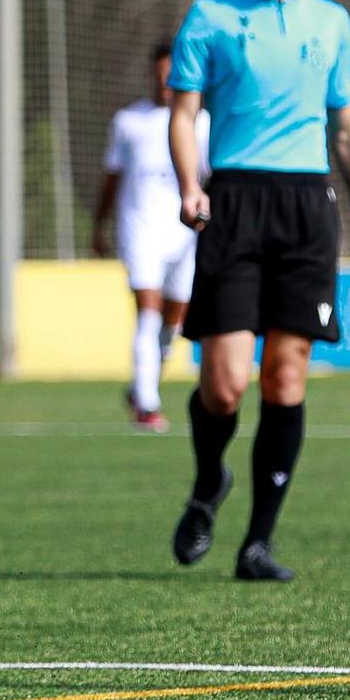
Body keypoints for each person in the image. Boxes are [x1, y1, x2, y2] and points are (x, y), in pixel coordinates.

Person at [167, 0, 350, 582]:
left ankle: (258, 543)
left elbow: (348, 128)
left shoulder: (332, 23)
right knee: (226, 382)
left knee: (287, 374)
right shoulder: (209, 15)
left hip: (305, 206)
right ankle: (210, 482)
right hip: (233, 200)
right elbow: (183, 114)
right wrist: (190, 185)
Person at [91, 43, 206, 432]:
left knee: (174, 323)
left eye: (172, 76)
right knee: (148, 312)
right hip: (139, 229)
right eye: (160, 75)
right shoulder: (129, 122)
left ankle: (142, 385)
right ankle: (147, 404)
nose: (165, 83)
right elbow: (112, 178)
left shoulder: (201, 122)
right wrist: (99, 225)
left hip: (186, 233)